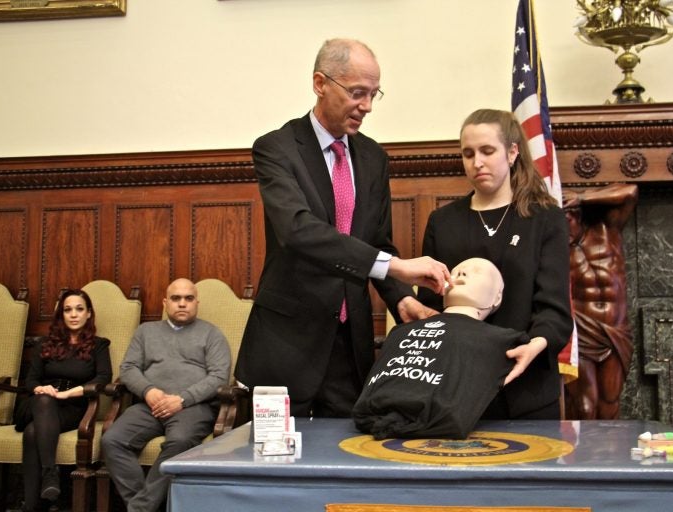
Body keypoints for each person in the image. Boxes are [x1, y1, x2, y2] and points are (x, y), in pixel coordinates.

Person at [235, 38, 451, 418]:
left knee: (344, 462)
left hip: (350, 350)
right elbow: (299, 230)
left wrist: (402, 298)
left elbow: (377, 242)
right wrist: (398, 267)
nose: (366, 106)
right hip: (287, 344)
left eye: (373, 94)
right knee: (269, 471)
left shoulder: (372, 157)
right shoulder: (276, 148)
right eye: (356, 93)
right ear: (320, 83)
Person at [417, 108, 573, 420]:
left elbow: (554, 308)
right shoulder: (442, 222)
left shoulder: (545, 218)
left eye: (488, 151)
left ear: (512, 152)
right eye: (468, 153)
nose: (477, 163)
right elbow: (431, 305)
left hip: (525, 390)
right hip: (455, 391)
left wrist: (537, 344)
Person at [353, 258, 529, 439]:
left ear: (497, 296)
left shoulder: (501, 341)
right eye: (455, 271)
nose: (461, 273)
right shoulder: (400, 332)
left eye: (476, 271)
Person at [101, 278, 231, 512]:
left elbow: (219, 377)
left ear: (197, 303)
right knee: (112, 441)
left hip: (192, 408)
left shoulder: (211, 334)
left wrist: (182, 399)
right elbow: (128, 369)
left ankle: (139, 508)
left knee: (180, 441)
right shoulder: (145, 332)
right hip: (149, 406)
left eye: (188, 298)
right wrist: (148, 391)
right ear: (165, 302)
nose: (182, 303)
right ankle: (144, 504)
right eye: (176, 298)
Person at [14, 289, 112, 512]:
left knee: (32, 433)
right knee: (44, 401)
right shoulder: (45, 344)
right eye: (68, 310)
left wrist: (68, 394)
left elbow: (103, 378)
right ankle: (50, 473)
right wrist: (41, 388)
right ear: (61, 315)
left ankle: (32, 506)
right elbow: (31, 380)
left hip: (72, 406)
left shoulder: (99, 345)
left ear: (89, 314)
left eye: (79, 309)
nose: (74, 314)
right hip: (37, 404)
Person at [563, 183, 638, 420]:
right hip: (581, 331)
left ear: (575, 214)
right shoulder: (556, 248)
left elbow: (630, 192)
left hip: (615, 330)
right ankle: (581, 455)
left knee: (610, 402)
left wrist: (581, 197)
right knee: (585, 405)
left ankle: (609, 456)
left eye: (564, 221)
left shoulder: (607, 229)